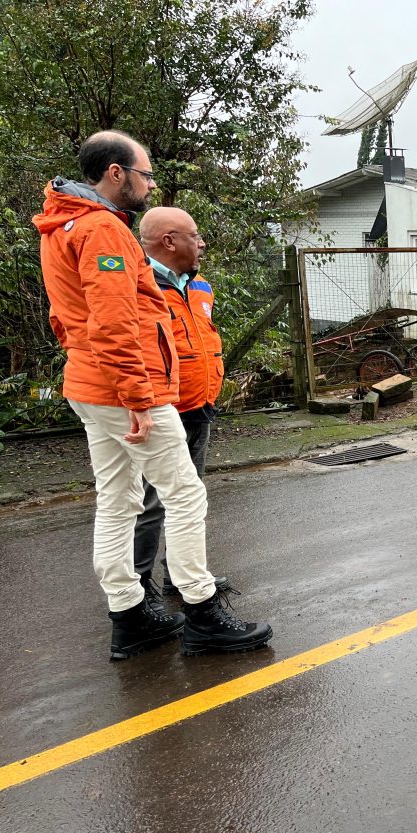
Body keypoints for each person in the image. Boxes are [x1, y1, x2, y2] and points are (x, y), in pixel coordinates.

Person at [33, 130, 272, 659]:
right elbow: (115, 321)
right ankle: (202, 612)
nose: (149, 183)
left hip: (91, 385)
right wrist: (138, 396)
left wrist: (94, 369)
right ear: (115, 173)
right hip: (124, 390)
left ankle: (130, 613)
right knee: (184, 494)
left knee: (117, 500)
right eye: (145, 174)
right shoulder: (102, 231)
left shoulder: (60, 226)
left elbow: (64, 317)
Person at [133, 207, 229, 600]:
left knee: (190, 496)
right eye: (195, 235)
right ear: (169, 241)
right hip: (159, 409)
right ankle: (137, 588)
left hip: (199, 406)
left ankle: (182, 574)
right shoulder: (139, 284)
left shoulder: (200, 285)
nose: (202, 243)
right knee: (149, 503)